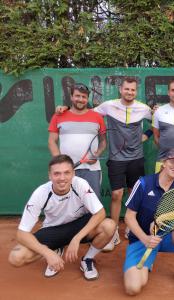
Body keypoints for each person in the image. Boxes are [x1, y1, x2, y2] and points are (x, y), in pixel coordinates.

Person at [56, 77, 153, 251]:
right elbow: (87, 112)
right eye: (126, 89)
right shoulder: (108, 106)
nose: (129, 92)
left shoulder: (143, 108)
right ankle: (113, 230)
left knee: (134, 192)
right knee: (116, 194)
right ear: (120, 90)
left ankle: (132, 225)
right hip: (116, 158)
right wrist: (65, 109)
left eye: (132, 90)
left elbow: (158, 121)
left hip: (136, 158)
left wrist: (146, 135)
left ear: (135, 91)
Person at [8, 155, 116, 280]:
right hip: (53, 230)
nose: (62, 178)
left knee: (109, 225)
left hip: (78, 226)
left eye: (66, 173)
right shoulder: (41, 193)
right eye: (57, 174)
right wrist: (47, 253)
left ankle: (87, 259)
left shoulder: (80, 184)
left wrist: (77, 238)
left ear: (73, 173)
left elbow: (100, 213)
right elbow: (21, 233)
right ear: (50, 175)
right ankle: (55, 249)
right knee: (16, 258)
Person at [123, 148, 174, 295]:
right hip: (143, 240)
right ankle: (147, 262)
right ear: (164, 163)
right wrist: (145, 239)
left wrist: (162, 219)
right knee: (133, 288)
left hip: (169, 236)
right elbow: (128, 217)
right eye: (173, 161)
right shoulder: (143, 183)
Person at [48, 83, 107, 199]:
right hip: (66, 171)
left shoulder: (97, 117)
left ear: (87, 98)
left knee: (92, 203)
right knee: (66, 203)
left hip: (91, 170)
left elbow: (103, 142)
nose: (80, 99)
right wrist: (61, 164)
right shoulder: (58, 116)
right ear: (71, 97)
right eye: (77, 96)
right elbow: (51, 141)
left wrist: (97, 154)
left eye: (84, 97)